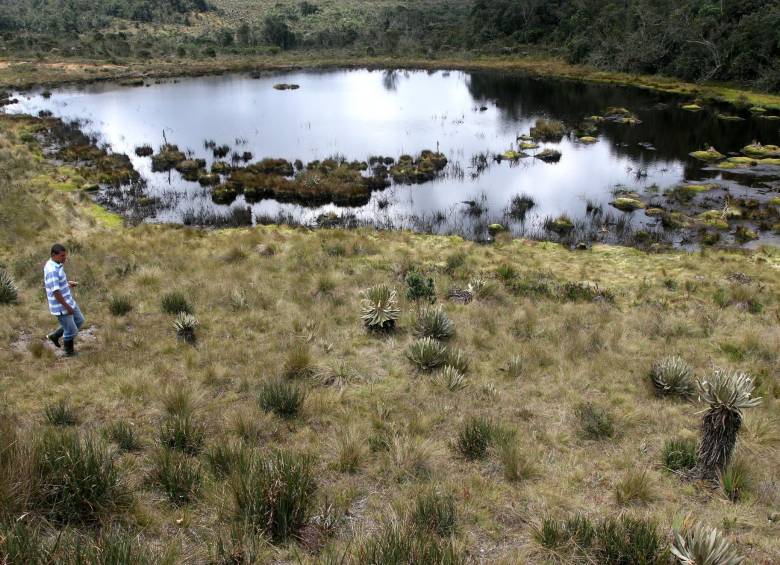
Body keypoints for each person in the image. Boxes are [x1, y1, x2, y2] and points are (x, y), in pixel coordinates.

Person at [44, 243, 84, 357]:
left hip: (68, 301)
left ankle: (55, 336)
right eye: (62, 256)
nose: (65, 258)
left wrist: (67, 284)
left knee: (79, 320)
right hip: (62, 306)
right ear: (53, 255)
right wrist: (67, 307)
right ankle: (68, 352)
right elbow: (55, 292)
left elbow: (56, 285)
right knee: (72, 331)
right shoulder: (52, 270)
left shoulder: (56, 264)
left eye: (65, 255)